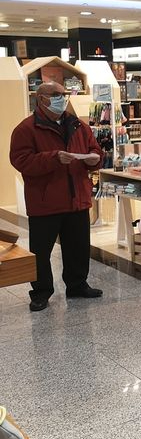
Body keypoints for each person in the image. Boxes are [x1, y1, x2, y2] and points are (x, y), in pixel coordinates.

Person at [9, 81, 104, 312]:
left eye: (64, 94)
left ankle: (77, 285)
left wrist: (95, 159)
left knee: (78, 247)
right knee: (41, 252)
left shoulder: (79, 126)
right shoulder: (26, 129)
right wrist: (53, 158)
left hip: (77, 199)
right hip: (45, 202)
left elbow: (96, 151)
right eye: (56, 94)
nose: (62, 98)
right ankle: (41, 292)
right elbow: (20, 161)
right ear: (41, 98)